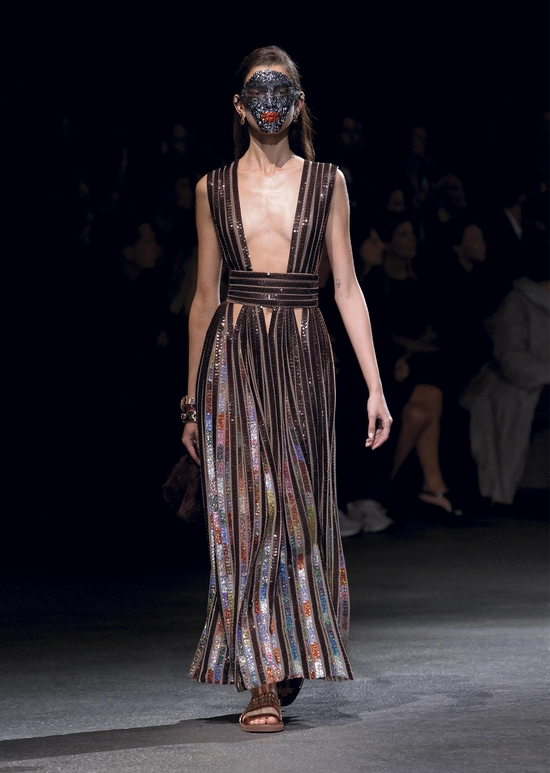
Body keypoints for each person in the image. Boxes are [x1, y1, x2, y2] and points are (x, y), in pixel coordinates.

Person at [180, 46, 392, 733]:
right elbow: (205, 296)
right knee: (245, 512)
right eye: (257, 92)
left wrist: (375, 387)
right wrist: (191, 402)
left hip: (303, 354)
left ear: (298, 104)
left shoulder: (328, 182)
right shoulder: (212, 189)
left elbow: (347, 285)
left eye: (282, 92)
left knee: (298, 509)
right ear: (239, 106)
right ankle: (261, 678)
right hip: (235, 354)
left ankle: (289, 641)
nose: (269, 104)